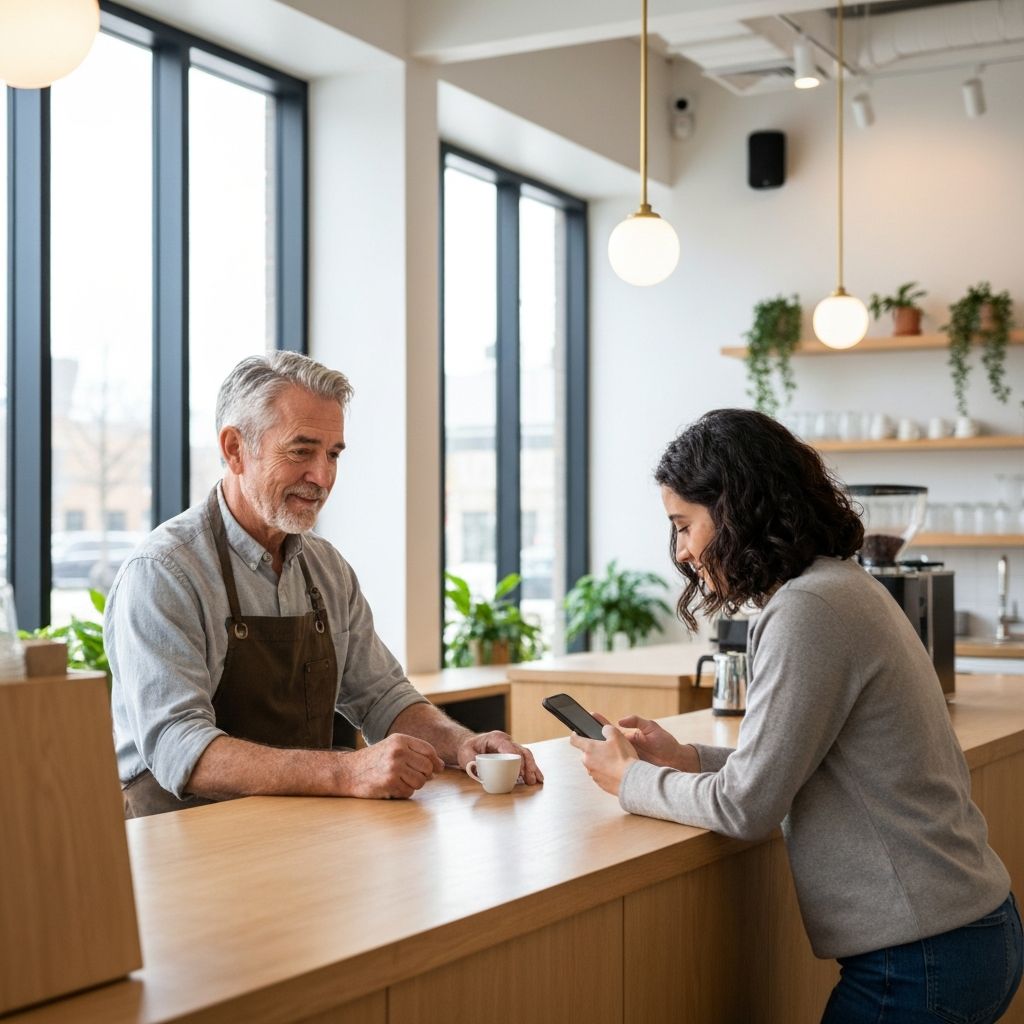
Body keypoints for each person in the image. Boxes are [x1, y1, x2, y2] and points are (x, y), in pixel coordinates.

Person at [570, 408, 1022, 1024]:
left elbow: (747, 807)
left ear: (732, 510)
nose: (681, 550)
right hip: (957, 933)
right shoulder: (839, 587)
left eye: (684, 525)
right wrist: (686, 759)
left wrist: (631, 781)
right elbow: (809, 762)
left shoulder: (808, 610)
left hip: (920, 957)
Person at [108, 352, 541, 818]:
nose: (323, 476)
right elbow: (181, 749)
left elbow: (383, 698)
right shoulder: (163, 573)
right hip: (184, 838)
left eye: (333, 454)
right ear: (235, 449)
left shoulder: (326, 569)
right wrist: (348, 772)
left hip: (301, 829)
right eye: (301, 451)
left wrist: (463, 745)